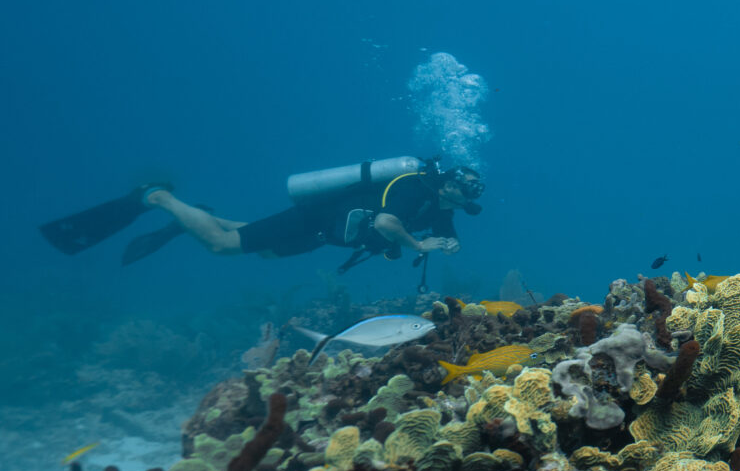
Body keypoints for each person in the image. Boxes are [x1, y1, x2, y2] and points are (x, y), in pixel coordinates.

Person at [39, 158, 484, 269]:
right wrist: (419, 244)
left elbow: (442, 234)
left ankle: (189, 217)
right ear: (445, 181)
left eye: (466, 195)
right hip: (317, 219)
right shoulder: (411, 187)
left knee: (264, 252)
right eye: (459, 188)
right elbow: (389, 223)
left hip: (325, 237)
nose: (460, 197)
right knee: (222, 245)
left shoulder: (441, 208)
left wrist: (448, 243)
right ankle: (159, 199)